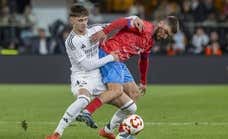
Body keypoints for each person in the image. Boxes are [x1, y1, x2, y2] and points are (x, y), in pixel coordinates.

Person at [45, 4, 143, 139]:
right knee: (83, 100)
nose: (84, 23)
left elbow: (115, 24)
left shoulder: (94, 30)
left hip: (99, 77)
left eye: (85, 19)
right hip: (83, 77)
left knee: (131, 108)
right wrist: (110, 57)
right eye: (80, 20)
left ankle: (107, 130)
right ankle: (57, 134)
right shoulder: (72, 41)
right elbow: (87, 66)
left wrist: (133, 17)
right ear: (72, 20)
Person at [79, 14, 179, 138]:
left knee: (135, 94)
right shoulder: (144, 27)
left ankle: (109, 130)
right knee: (116, 90)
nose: (164, 36)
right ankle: (87, 111)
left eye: (167, 35)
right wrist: (105, 31)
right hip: (109, 53)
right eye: (166, 32)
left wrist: (143, 81)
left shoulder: (150, 41)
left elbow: (144, 60)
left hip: (118, 61)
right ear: (161, 24)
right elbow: (123, 21)